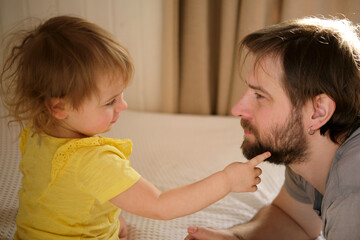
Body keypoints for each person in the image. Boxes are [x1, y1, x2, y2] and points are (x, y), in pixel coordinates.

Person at [0, 15, 270, 240]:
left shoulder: (36, 135)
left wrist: (108, 218)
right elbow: (160, 205)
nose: (123, 106)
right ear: (59, 107)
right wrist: (226, 180)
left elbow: (60, 195)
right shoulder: (93, 160)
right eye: (110, 102)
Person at [185, 16, 360, 240]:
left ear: (318, 112)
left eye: (260, 96)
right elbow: (291, 218)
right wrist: (235, 237)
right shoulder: (311, 149)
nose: (237, 109)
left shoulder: (352, 199)